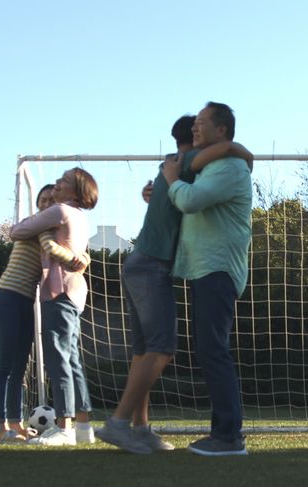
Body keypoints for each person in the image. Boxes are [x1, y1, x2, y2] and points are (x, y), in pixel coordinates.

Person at [96, 116, 252, 454]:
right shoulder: (185, 163)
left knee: (143, 352)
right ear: (194, 139)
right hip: (151, 266)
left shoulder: (173, 167)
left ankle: (140, 429)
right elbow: (226, 151)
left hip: (139, 263)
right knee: (161, 348)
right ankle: (118, 424)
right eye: (198, 127)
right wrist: (240, 150)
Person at [162, 102, 253, 456]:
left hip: (218, 269)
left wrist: (172, 182)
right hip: (205, 269)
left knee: (214, 350)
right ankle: (224, 433)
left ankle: (228, 436)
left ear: (222, 130)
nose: (195, 128)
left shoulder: (229, 167)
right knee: (209, 350)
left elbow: (192, 201)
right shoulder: (213, 164)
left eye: (201, 123)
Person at [0, 184, 89, 444]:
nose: (46, 205)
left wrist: (83, 257)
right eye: (42, 200)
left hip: (26, 300)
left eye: (50, 201)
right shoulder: (37, 227)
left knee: (19, 366)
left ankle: (16, 425)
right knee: (4, 365)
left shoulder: (52, 228)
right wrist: (77, 259)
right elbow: (50, 246)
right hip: (7, 296)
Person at [10, 168, 99, 446]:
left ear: (77, 191)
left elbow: (17, 231)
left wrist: (40, 227)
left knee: (59, 359)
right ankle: (83, 427)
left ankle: (64, 428)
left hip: (59, 293)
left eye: (64, 181)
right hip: (74, 292)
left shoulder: (59, 211)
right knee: (72, 360)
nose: (58, 183)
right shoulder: (79, 216)